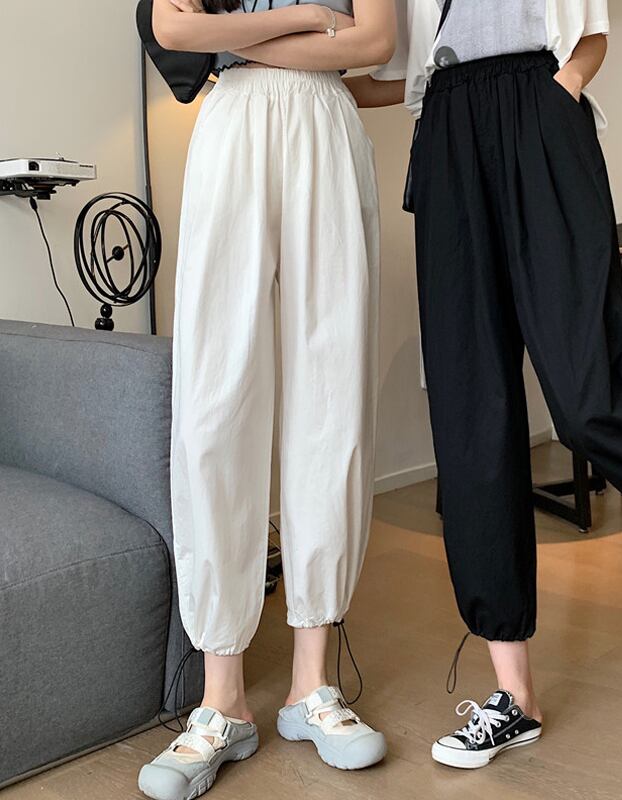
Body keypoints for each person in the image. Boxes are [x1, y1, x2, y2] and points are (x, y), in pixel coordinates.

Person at [345, 0, 622, 770]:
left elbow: (589, 31)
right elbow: (398, 68)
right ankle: (514, 696)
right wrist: (285, 69)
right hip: (448, 135)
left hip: (540, 114)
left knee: (588, 398)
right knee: (470, 419)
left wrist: (559, 94)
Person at [138, 1, 397, 797]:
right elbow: (174, 31)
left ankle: (310, 686)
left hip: (326, 126)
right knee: (215, 404)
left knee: (333, 397)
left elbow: (378, 41)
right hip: (233, 128)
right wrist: (311, 22)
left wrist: (244, 41)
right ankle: (222, 701)